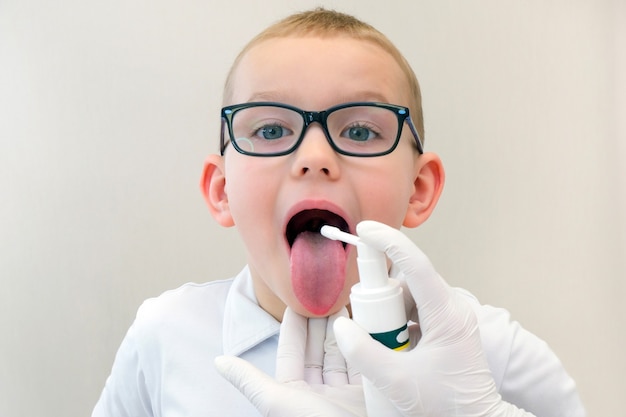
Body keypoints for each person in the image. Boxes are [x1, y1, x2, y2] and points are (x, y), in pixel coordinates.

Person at [92, 8, 586, 417]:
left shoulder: (485, 350)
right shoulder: (164, 337)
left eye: (360, 132)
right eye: (269, 130)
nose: (315, 157)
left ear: (418, 189)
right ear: (221, 190)